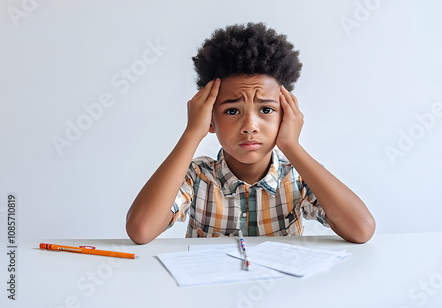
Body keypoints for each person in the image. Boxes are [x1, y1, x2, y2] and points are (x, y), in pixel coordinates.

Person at [126, 22, 375, 244]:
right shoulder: (197, 177)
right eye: (232, 111)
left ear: (285, 116)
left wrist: (292, 146)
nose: (250, 126)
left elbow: (361, 230)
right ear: (210, 119)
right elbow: (141, 230)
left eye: (266, 109)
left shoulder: (298, 177)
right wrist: (192, 133)